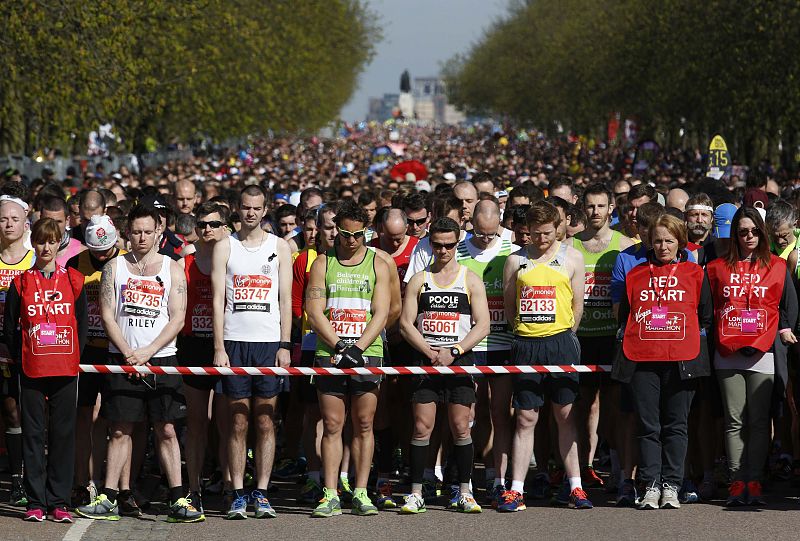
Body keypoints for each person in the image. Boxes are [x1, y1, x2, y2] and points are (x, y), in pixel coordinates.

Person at [76, 204, 201, 523]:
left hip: (161, 360)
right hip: (123, 360)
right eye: (136, 232)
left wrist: (148, 352)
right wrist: (129, 351)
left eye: (148, 231)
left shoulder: (172, 268)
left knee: (168, 429)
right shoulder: (114, 268)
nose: (142, 237)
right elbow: (107, 314)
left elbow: (177, 318)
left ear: (159, 232)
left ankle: (178, 498)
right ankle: (109, 496)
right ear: (126, 234)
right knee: (119, 429)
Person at [614, 214, 712, 510]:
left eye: (669, 240)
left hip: (681, 357)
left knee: (677, 425)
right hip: (643, 359)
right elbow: (625, 316)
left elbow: (705, 315)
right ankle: (651, 485)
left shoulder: (695, 273)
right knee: (648, 426)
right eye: (657, 240)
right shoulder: (636, 274)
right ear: (649, 242)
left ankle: (672, 484)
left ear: (680, 242)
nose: (663, 246)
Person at [499, 201, 591, 511]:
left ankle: (576, 486)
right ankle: (516, 489)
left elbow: (578, 305)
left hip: (562, 342)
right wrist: (525, 330)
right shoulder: (515, 261)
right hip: (526, 343)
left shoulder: (572, 257)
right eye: (535, 234)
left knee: (565, 415)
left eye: (548, 233)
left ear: (559, 228)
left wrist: (566, 335)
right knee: (526, 418)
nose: (541, 239)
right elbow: (510, 305)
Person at [706, 206, 798, 506]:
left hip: (764, 351)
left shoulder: (777, 266)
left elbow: (788, 306)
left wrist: (784, 329)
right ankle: (736, 481)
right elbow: (708, 310)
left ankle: (754, 479)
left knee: (759, 420)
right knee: (734, 420)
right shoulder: (716, 267)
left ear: (763, 232)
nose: (749, 236)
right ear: (735, 234)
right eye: (743, 231)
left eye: (755, 231)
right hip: (727, 352)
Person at [399, 217, 490, 514]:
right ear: (430, 243)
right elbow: (405, 324)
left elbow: (483, 325)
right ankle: (415, 492)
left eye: (449, 245)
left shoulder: (470, 278)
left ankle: (464, 490)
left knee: (461, 427)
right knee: (422, 426)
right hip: (427, 361)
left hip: (459, 360)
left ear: (458, 241)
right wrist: (429, 351)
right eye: (437, 245)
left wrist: (455, 350)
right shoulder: (419, 279)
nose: (443, 251)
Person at [211, 185, 292, 520]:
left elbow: (285, 299)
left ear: (265, 209)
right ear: (237, 209)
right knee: (238, 421)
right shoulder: (223, 246)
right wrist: (219, 346)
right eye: (245, 208)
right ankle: (237, 493)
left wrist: (285, 344)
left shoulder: (280, 247)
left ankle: (261, 491)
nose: (251, 214)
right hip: (233, 342)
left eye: (257, 208)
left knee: (265, 420)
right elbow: (217, 300)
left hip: (269, 342)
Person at [306, 199, 391, 518]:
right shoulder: (323, 263)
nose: (351, 240)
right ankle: (329, 493)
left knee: (365, 423)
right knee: (331, 424)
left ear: (366, 232)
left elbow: (381, 312)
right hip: (331, 353)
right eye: (344, 234)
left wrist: (358, 348)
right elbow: (314, 310)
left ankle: (360, 491)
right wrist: (340, 345)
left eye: (357, 234)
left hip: (367, 353)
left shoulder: (378, 263)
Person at [4, 218, 88, 523]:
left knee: (63, 435)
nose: (46, 247)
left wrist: (73, 356)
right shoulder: (21, 281)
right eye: (41, 241)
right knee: (34, 437)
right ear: (33, 243)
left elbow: (83, 325)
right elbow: (10, 328)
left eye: (52, 241)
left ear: (60, 244)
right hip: (32, 369)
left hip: (65, 369)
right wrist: (20, 359)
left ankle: (59, 501)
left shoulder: (74, 280)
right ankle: (36, 501)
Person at [571, 183, 634, 496]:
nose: (594, 212)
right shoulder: (570, 245)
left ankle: (621, 471)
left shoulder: (625, 245)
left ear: (612, 209)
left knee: (615, 409)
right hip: (581, 338)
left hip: (613, 337)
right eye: (590, 206)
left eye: (600, 206)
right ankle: (582, 469)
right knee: (580, 409)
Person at [454, 201, 516, 505]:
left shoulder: (511, 248)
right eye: (480, 233)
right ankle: (467, 477)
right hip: (469, 344)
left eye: (491, 234)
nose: (485, 239)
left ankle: (498, 478)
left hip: (502, 343)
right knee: (468, 415)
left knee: (500, 413)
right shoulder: (459, 249)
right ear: (471, 224)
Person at [66, 215, 125, 509]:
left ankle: (122, 489)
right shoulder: (75, 264)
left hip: (119, 349)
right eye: (95, 250)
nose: (101, 256)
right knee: (84, 418)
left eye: (106, 249)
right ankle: (81, 482)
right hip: (86, 350)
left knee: (120, 422)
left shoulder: (127, 261)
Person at [179, 202, 229, 515]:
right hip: (193, 345)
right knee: (196, 421)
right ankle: (193, 488)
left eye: (213, 224)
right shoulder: (184, 259)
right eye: (202, 224)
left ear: (226, 226)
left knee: (226, 423)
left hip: (225, 346)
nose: (206, 230)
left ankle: (228, 485)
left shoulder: (234, 256)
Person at [0, 195, 34, 506]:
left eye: (14, 219)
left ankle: (19, 478)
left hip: (24, 346)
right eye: (3, 219)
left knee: (16, 410)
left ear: (25, 223)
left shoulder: (34, 258)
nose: (9, 224)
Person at [37, 196, 85, 266]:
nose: (53, 226)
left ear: (67, 220)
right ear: (40, 218)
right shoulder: (29, 248)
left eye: (58, 222)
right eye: (48, 221)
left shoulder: (81, 252)